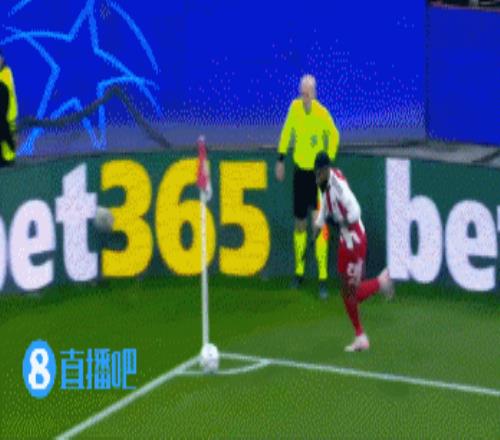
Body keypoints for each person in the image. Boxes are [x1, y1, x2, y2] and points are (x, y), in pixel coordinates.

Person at [312, 152, 394, 352]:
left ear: (326, 170)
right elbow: (325, 205)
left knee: (352, 293)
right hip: (345, 241)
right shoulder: (326, 183)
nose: (316, 176)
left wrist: (341, 223)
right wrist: (319, 223)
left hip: (354, 241)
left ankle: (380, 283)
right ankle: (360, 336)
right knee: (346, 291)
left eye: (318, 172)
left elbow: (356, 211)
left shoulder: (338, 187)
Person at [275, 74, 340, 299]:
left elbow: (334, 135)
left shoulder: (322, 113)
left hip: (316, 176)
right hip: (299, 173)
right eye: (302, 92)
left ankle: (322, 277)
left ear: (314, 93)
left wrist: (327, 160)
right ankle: (299, 271)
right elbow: (286, 132)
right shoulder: (294, 109)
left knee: (318, 224)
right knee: (300, 223)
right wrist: (281, 159)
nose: (304, 96)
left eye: (308, 93)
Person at [0, 48, 18, 166]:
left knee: (9, 153)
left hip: (8, 116)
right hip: (4, 117)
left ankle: (9, 160)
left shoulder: (6, 73)